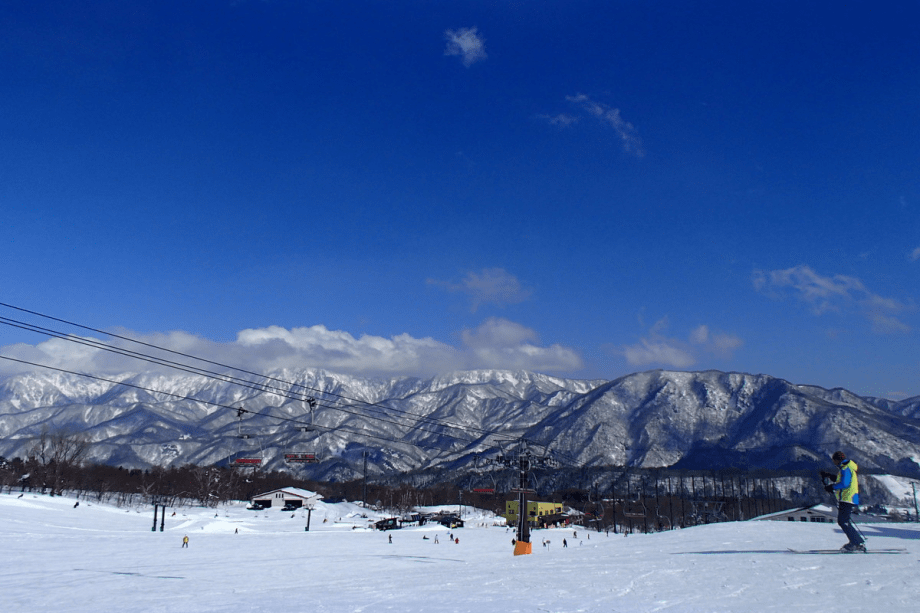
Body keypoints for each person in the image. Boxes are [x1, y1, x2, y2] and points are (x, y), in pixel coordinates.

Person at [821, 450, 865, 553]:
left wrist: (832, 487)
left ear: (837, 460)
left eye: (834, 461)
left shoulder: (845, 469)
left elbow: (844, 484)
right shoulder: (847, 468)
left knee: (843, 521)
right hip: (848, 498)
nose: (834, 463)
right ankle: (857, 542)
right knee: (844, 521)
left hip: (847, 498)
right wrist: (830, 476)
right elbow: (842, 480)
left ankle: (855, 543)